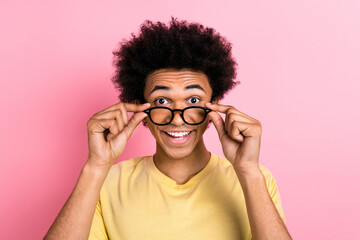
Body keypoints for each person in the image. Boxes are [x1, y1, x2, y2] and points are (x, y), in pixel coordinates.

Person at [44, 18, 292, 240]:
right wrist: (96, 167)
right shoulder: (105, 183)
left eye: (193, 100)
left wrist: (248, 170)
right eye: (162, 101)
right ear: (143, 109)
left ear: (214, 107)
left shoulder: (255, 179)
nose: (176, 119)